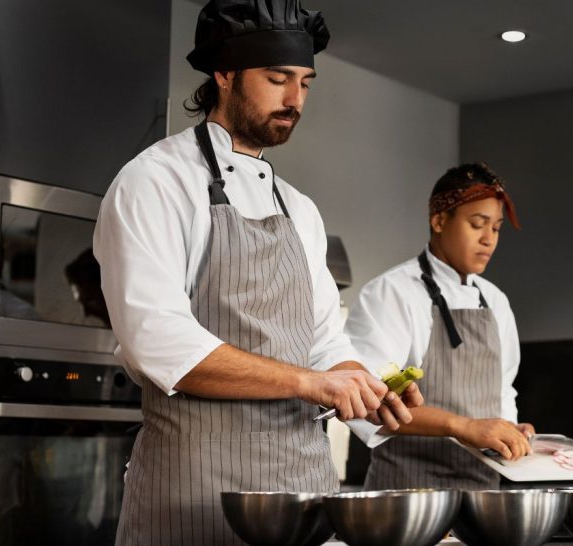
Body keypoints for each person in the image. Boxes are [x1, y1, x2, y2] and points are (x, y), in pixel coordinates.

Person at [94, 2, 421, 543]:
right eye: (277, 79)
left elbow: (322, 342)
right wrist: (310, 382)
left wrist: (364, 387)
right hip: (197, 488)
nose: (295, 101)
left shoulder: (299, 208)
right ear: (223, 74)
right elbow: (159, 342)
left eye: (306, 84)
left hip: (304, 486)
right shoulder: (155, 180)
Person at [344, 163, 534, 490]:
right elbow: (370, 400)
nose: (489, 239)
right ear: (439, 221)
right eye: (478, 224)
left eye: (497, 228)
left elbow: (504, 390)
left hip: (481, 495)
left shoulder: (495, 301)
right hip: (407, 496)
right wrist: (462, 426)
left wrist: (509, 430)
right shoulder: (393, 292)